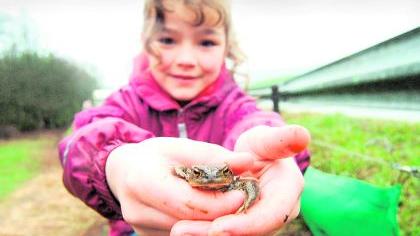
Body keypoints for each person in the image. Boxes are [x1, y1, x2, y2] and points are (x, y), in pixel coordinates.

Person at [58, 0, 311, 235]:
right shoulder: (126, 102)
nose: (186, 60)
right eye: (168, 40)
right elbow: (81, 141)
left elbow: (252, 122)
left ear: (227, 48)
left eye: (206, 42)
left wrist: (268, 151)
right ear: (146, 43)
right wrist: (114, 164)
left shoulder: (233, 105)